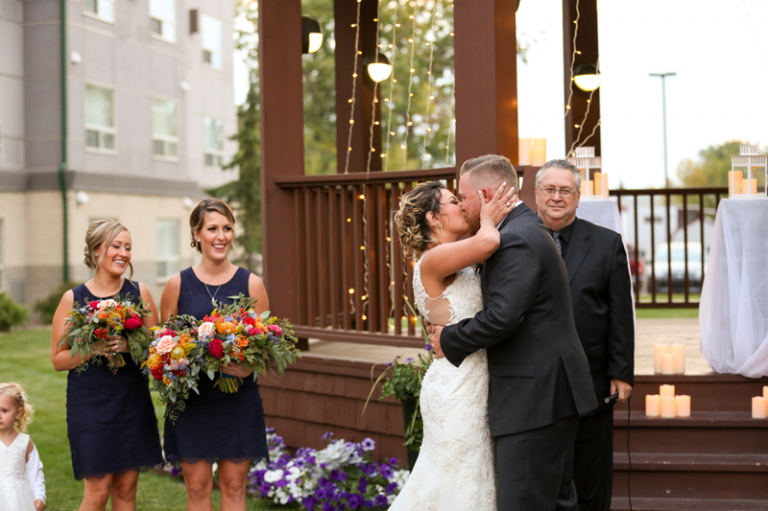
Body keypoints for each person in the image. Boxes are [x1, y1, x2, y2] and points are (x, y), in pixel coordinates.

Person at [429, 155, 597, 511]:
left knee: (524, 503)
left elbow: (502, 318)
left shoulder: (515, 239)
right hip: (547, 394)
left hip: (534, 398)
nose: (462, 204)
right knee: (556, 501)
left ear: (485, 194)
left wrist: (448, 338)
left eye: (464, 196)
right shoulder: (518, 230)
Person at [389, 179, 517, 510]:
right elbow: (489, 240)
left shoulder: (454, 259)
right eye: (453, 200)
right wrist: (488, 216)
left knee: (472, 481)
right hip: (456, 388)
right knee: (455, 482)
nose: (462, 205)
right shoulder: (432, 260)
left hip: (471, 379)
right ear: (434, 217)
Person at [535, 159, 635, 511]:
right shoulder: (512, 239)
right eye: (550, 189)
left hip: (591, 378)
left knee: (590, 474)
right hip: (534, 380)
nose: (557, 197)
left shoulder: (607, 243)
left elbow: (620, 312)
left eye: (566, 191)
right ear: (536, 194)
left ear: (578, 198)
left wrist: (621, 369)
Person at [161, 199, 270, 511]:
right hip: (192, 404)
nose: (221, 236)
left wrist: (249, 366)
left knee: (235, 487)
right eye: (212, 229)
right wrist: (179, 366)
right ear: (196, 235)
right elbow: (161, 346)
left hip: (237, 402)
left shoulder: (251, 283)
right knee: (197, 488)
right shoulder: (177, 284)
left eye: (227, 228)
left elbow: (265, 347)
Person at [50, 220, 163, 511]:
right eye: (116, 245)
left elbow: (162, 350)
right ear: (97, 250)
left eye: (128, 247)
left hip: (131, 403)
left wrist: (131, 345)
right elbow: (58, 359)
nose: (124, 253)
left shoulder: (141, 293)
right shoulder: (73, 299)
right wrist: (92, 348)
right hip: (90, 407)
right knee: (97, 493)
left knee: (126, 491)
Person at [0, 382, 39, 511]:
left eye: (4, 410)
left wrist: (39, 496)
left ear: (18, 412)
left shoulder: (24, 442)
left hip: (19, 499)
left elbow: (35, 471)